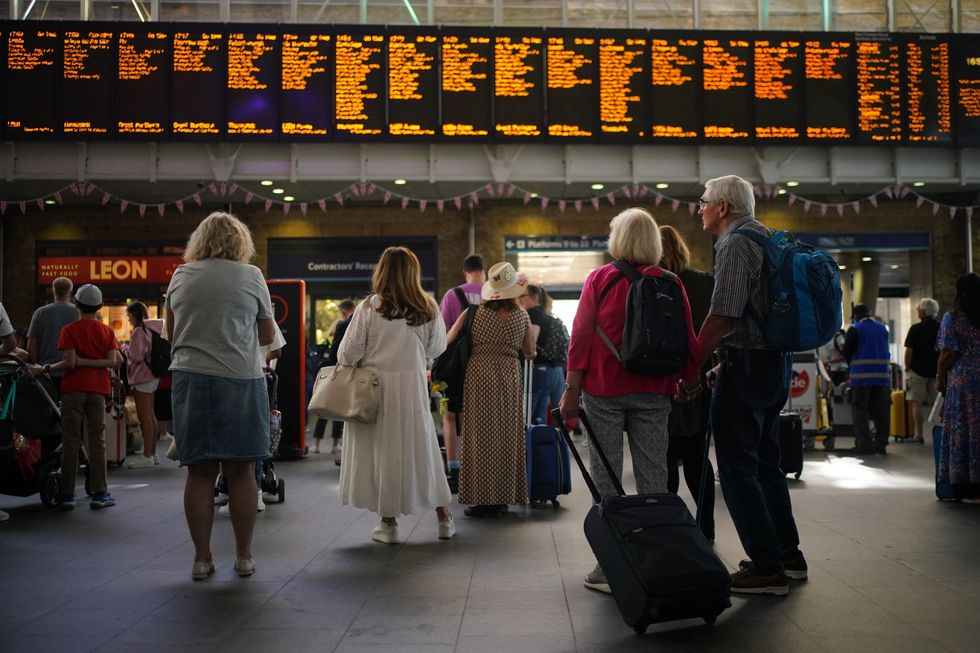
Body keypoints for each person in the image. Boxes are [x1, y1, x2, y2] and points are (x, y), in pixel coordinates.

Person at [558, 209, 700, 594]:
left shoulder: (600, 279)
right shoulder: (671, 282)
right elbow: (688, 337)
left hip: (604, 388)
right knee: (655, 478)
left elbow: (582, 335)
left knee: (607, 477)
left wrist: (572, 388)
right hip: (655, 390)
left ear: (617, 240)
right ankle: (662, 558)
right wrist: (688, 380)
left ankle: (612, 564)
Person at [693, 175, 806, 596]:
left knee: (737, 469)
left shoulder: (736, 242)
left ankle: (766, 567)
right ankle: (787, 556)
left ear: (723, 207)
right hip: (772, 364)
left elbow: (722, 313)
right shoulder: (768, 236)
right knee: (766, 463)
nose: (699, 208)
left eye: (703, 201)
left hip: (749, 368)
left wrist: (694, 362)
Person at [165, 211, 276, 580]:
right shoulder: (251, 276)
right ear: (241, 243)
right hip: (240, 378)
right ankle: (243, 556)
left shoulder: (181, 275)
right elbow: (265, 336)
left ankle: (201, 558)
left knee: (198, 472)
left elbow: (170, 331)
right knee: (242, 470)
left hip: (190, 377)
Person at [336, 246, 454, 544]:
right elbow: (437, 348)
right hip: (412, 390)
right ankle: (444, 518)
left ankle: (388, 524)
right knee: (423, 451)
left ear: (382, 272)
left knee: (382, 454)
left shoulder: (369, 307)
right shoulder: (427, 306)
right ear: (413, 273)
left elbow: (348, 354)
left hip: (375, 391)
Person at [451, 261, 534, 518]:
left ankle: (482, 498)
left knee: (478, 435)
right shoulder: (523, 315)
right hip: (509, 376)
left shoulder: (473, 313)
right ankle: (504, 496)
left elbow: (448, 339)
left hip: (478, 375)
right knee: (508, 434)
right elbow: (530, 351)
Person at [29, 284, 121, 510]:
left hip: (72, 390)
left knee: (70, 441)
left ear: (77, 305)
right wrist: (91, 363)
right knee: (97, 442)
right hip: (99, 389)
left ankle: (68, 495)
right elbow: (112, 361)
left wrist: (46, 368)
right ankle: (100, 493)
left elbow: (69, 363)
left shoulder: (69, 330)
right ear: (99, 306)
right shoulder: (107, 331)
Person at [659, 224, 716, 542]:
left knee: (663, 458)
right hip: (698, 378)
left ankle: (669, 530)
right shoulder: (705, 283)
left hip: (661, 380)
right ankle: (705, 528)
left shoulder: (649, 283)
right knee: (697, 457)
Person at [219, 321, 285, 517]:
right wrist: (260, 358)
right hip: (259, 378)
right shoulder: (263, 314)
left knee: (230, 436)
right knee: (254, 435)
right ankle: (254, 491)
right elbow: (277, 350)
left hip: (229, 377)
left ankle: (235, 493)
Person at [438, 254, 486, 493]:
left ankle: (454, 470)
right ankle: (474, 468)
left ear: (465, 272)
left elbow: (441, 332)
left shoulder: (452, 295)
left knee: (449, 415)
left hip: (454, 367)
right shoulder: (494, 294)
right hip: (484, 364)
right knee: (475, 417)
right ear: (483, 271)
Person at [936, 273, 980, 503]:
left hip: (963, 384)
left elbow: (948, 353)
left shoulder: (953, 317)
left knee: (962, 430)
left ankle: (966, 486)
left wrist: (940, 376)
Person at [842, 303, 892, 455]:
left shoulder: (855, 329)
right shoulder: (883, 328)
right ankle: (881, 444)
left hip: (861, 378)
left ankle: (866, 445)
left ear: (856, 316)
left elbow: (847, 352)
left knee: (860, 411)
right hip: (882, 378)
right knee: (882, 412)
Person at [124, 302, 164, 469]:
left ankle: (147, 454)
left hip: (142, 377)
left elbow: (136, 356)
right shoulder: (151, 329)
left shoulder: (139, 331)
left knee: (144, 416)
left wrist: (125, 348)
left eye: (129, 316)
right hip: (152, 376)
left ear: (134, 315)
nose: (128, 319)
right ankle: (152, 452)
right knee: (151, 415)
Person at [312, 299, 355, 457]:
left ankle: (316, 443)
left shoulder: (342, 325)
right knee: (340, 410)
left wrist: (325, 366)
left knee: (325, 405)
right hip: (349, 373)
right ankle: (335, 444)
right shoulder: (356, 322)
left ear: (343, 311)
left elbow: (334, 349)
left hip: (335, 371)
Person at [522, 285, 568, 426]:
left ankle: (526, 448)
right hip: (554, 372)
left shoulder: (533, 314)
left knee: (527, 419)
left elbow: (531, 341)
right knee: (543, 420)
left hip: (538, 371)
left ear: (535, 297)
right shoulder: (547, 316)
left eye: (522, 296)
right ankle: (546, 447)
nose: (519, 300)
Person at [27, 276, 78, 394]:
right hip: (72, 373)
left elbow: (31, 346)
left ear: (53, 291)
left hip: (46, 373)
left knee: (47, 410)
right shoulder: (78, 312)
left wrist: (39, 366)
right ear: (70, 292)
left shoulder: (40, 313)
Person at [904, 297, 941, 444]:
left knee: (917, 403)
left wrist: (907, 368)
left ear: (924, 312)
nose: (917, 311)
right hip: (936, 372)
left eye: (919, 309)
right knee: (938, 405)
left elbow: (909, 352)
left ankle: (918, 435)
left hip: (917, 372)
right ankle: (942, 433)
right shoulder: (941, 327)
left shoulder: (915, 329)